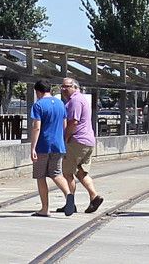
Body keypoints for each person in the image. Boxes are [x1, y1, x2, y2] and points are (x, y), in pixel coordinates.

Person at [29, 79, 73, 217]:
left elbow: (37, 127)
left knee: (40, 177)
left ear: (38, 92)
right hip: (58, 145)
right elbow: (65, 125)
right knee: (57, 174)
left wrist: (32, 148)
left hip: (43, 145)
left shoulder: (38, 105)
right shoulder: (61, 104)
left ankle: (45, 208)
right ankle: (69, 195)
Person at [59, 79, 103, 214]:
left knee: (67, 173)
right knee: (81, 172)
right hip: (87, 141)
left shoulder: (75, 101)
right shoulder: (81, 99)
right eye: (62, 87)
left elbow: (73, 122)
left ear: (75, 87)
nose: (63, 89)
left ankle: (70, 204)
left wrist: (65, 138)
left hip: (76, 141)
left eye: (66, 87)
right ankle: (94, 196)